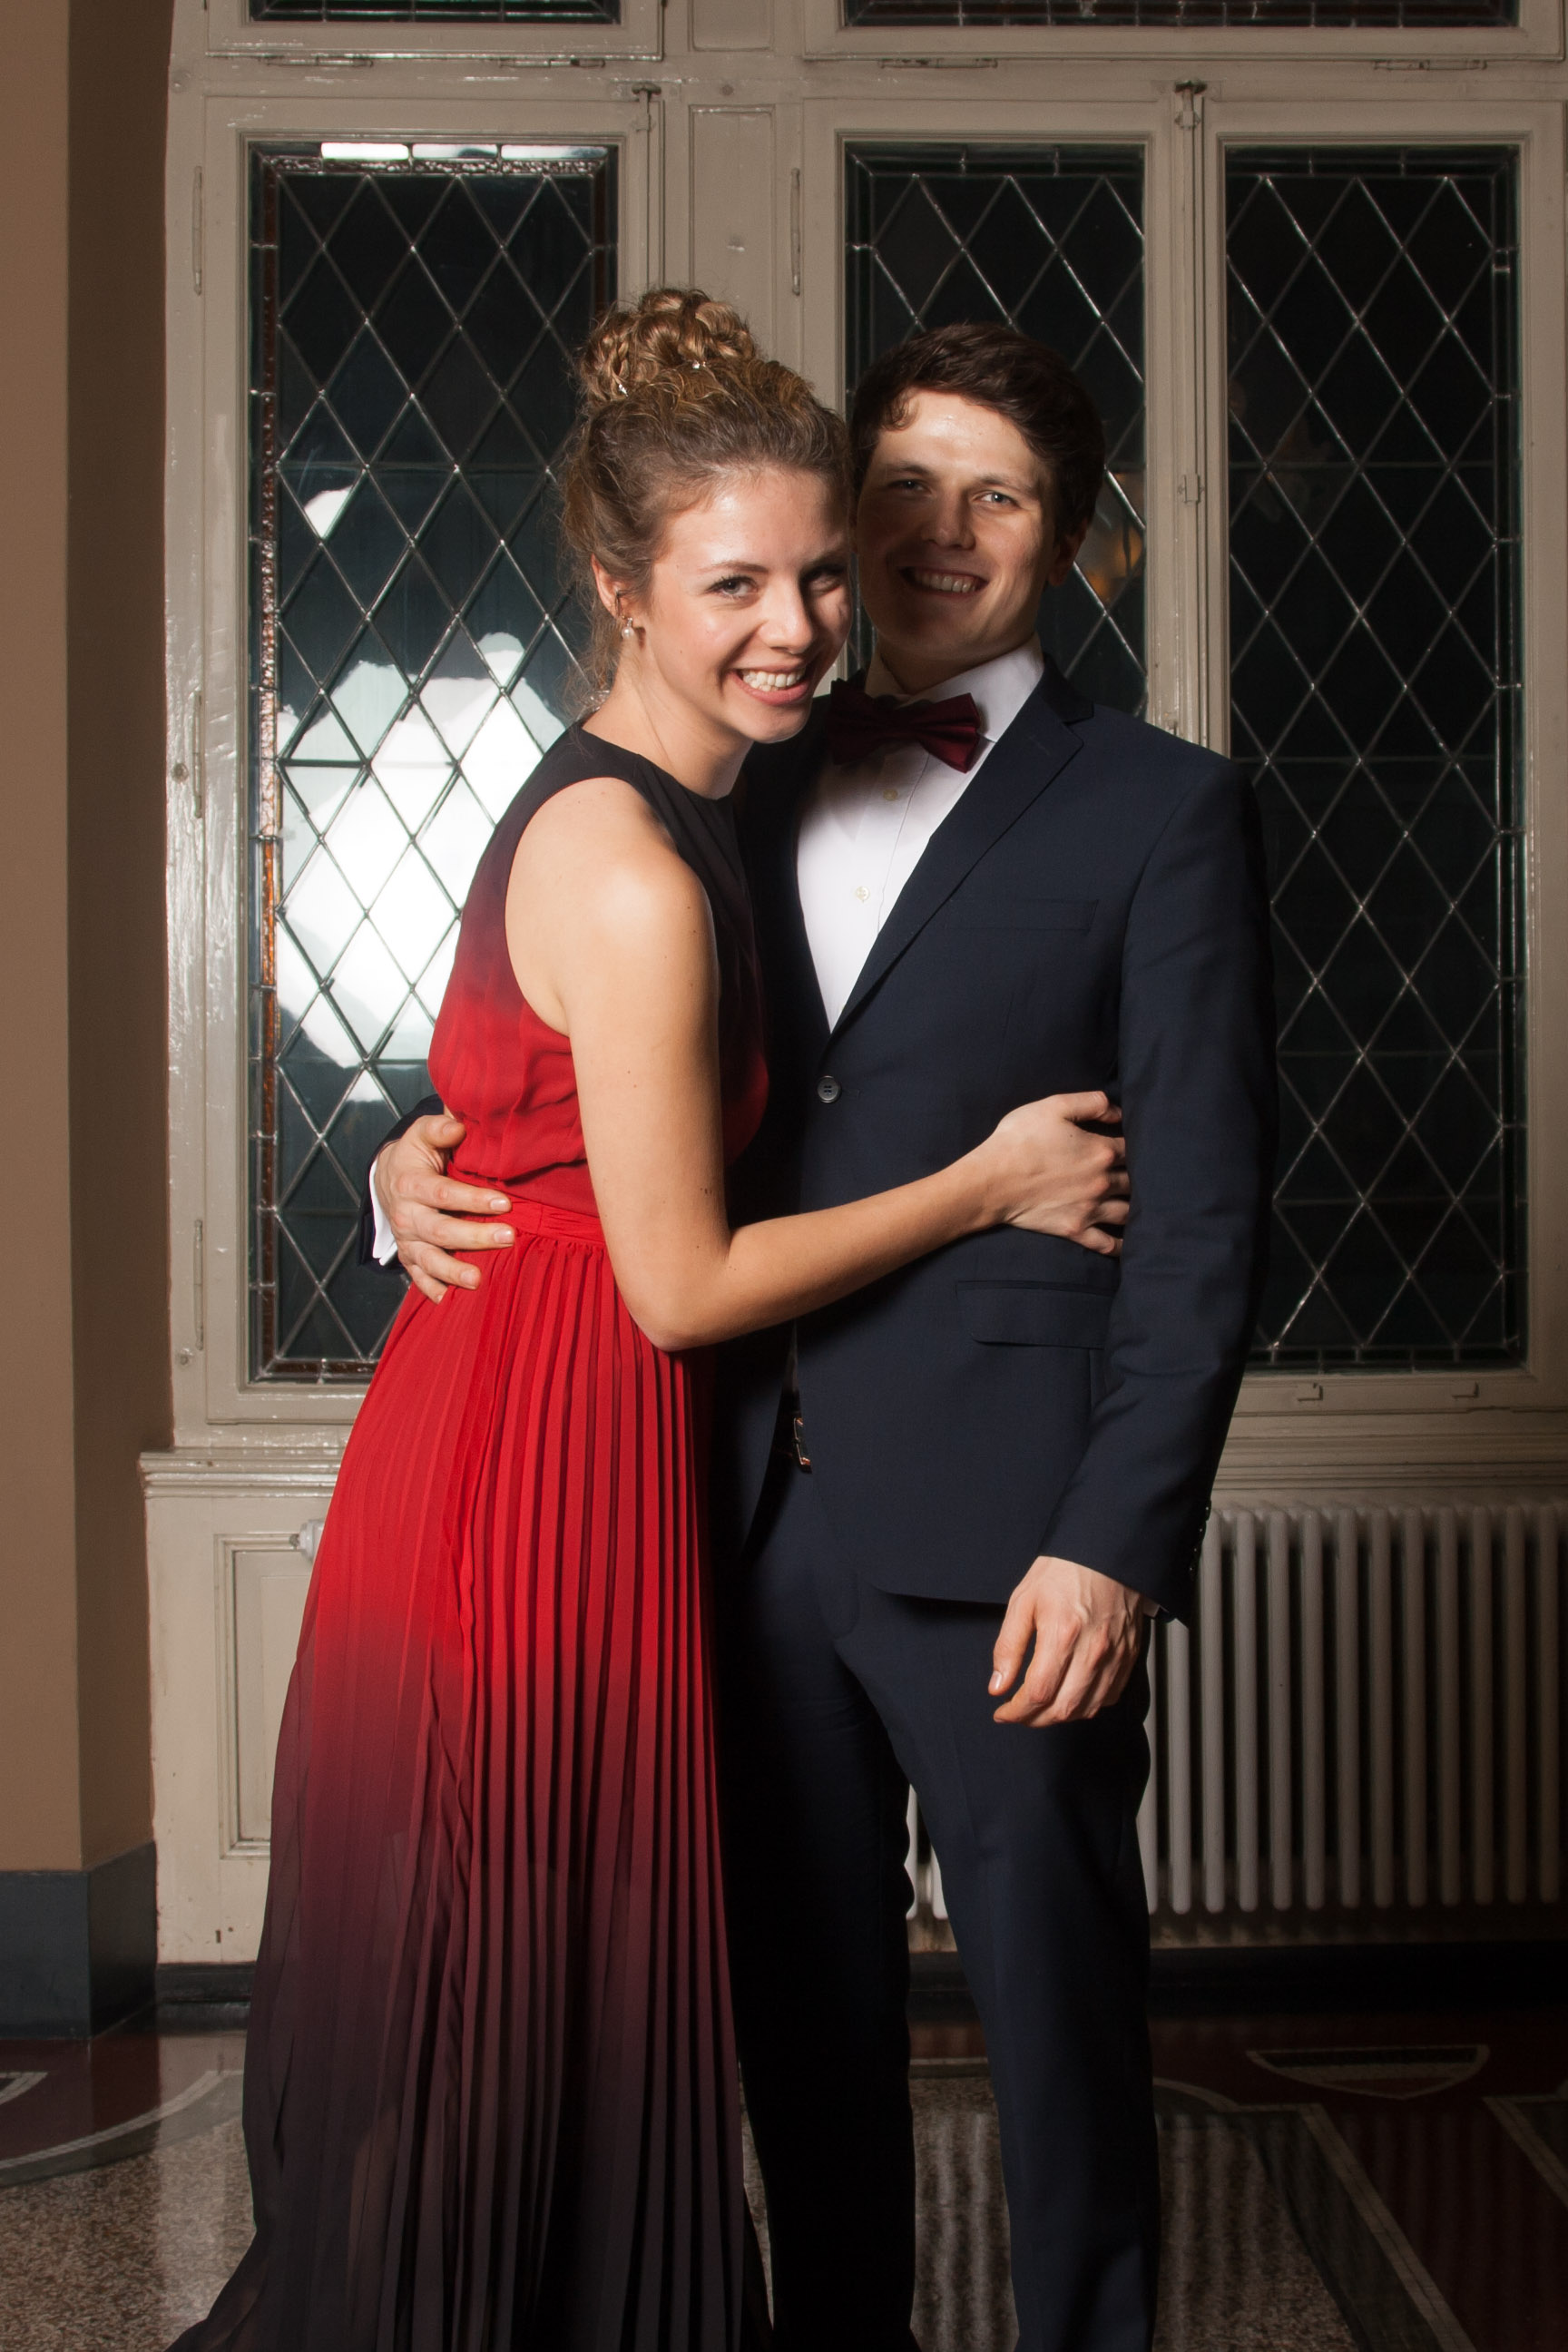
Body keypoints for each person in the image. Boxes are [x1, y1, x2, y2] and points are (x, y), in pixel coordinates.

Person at [177, 292, 1130, 2352]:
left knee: (562, 2035)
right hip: (535, 1480)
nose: (799, 625)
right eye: (735, 586)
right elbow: (677, 1277)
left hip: (615, 1457)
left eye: (817, 574)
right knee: (487, 2033)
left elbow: (533, 1092)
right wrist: (986, 1182)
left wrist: (421, 1149)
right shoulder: (638, 855)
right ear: (620, 589)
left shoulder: (727, 798)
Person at [374, 318, 1276, 2352]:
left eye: (1000, 493)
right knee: (799, 2016)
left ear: (1074, 532)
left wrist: (1115, 1541)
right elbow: (573, 1057)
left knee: (1057, 2009)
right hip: (728, 1516)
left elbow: (1207, 1228)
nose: (941, 532)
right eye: (904, 489)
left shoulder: (1166, 810)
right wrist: (403, 1167)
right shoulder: (736, 759)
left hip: (1015, 1537)